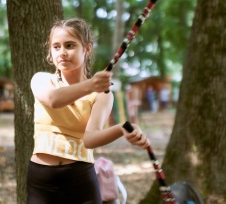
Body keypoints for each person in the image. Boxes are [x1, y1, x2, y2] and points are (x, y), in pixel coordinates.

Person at [27, 18, 150, 204]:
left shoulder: (102, 94)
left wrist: (122, 128)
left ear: (87, 49)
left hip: (80, 178)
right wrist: (91, 85)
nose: (62, 52)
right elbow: (54, 100)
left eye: (69, 45)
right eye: (56, 47)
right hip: (41, 181)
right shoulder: (41, 80)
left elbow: (90, 139)